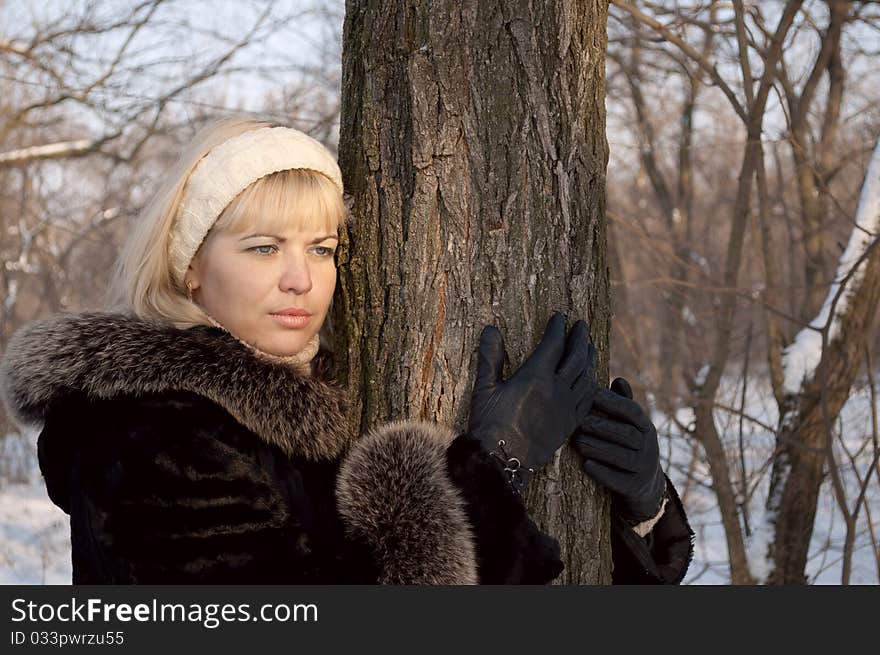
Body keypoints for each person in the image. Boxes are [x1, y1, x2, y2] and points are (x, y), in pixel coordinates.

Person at [0, 117, 692, 584]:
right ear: (189, 267)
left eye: (322, 248)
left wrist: (641, 509)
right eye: (264, 247)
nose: (300, 277)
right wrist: (494, 463)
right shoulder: (144, 433)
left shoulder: (312, 411)